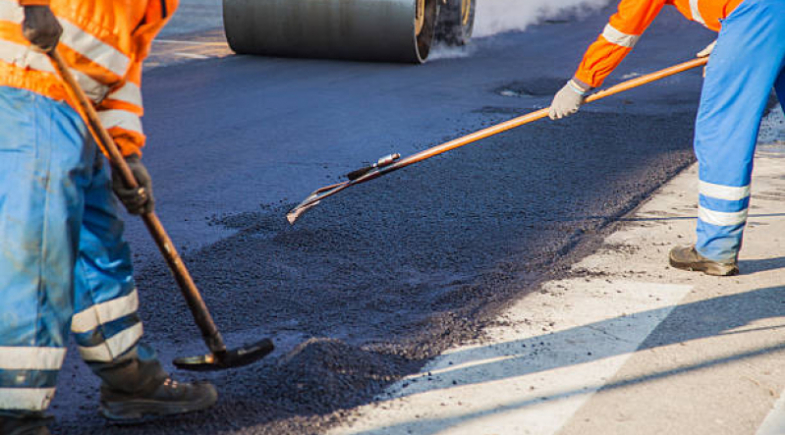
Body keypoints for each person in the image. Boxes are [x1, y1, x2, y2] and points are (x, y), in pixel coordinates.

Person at [0, 1, 217, 433]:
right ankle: (15, 412)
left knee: (98, 245)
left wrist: (125, 151)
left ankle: (129, 379)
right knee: (39, 254)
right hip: (26, 84)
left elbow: (123, 66)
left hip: (78, 109)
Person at [548, 0, 785, 276]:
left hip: (756, 16)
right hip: (762, 16)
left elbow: (623, 31)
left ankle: (716, 248)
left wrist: (579, 84)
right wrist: (732, 36)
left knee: (723, 130)